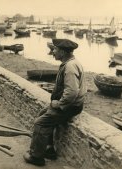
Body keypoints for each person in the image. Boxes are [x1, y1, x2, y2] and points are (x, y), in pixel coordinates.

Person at [23, 38, 86, 166]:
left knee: (40, 123)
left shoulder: (70, 66)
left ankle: (36, 156)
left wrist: (60, 104)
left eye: (55, 49)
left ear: (62, 52)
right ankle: (49, 149)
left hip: (69, 107)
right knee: (43, 114)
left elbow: (72, 92)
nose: (53, 52)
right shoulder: (71, 62)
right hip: (71, 105)